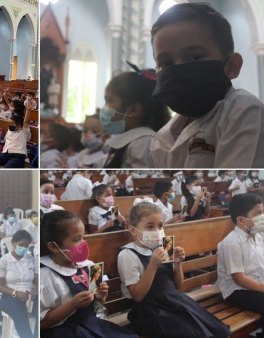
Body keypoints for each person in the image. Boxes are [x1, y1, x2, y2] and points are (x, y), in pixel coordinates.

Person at [150, 3, 264, 168]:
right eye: (166, 63)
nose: (179, 69)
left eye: (194, 58)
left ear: (231, 66)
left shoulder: (243, 110)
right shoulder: (165, 134)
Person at [117, 202, 230, 337]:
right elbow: (137, 296)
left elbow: (177, 285)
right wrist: (152, 265)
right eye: (150, 226)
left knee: (218, 330)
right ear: (133, 230)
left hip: (174, 301)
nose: (157, 231)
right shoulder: (128, 255)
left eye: (160, 226)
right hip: (151, 310)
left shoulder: (163, 248)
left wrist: (177, 264)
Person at [40, 210, 137, 338]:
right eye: (77, 239)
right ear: (53, 246)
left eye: (83, 237)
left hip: (92, 324)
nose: (83, 243)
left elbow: (100, 304)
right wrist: (72, 304)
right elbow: (42, 323)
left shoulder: (89, 265)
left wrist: (100, 295)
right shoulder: (45, 275)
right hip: (63, 331)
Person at [217, 193, 264, 336]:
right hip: (237, 290)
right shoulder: (232, 243)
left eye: (263, 212)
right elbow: (239, 279)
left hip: (256, 283)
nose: (262, 216)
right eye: (258, 213)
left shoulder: (257, 235)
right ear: (241, 220)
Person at [101, 70, 170, 168]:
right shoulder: (130, 140)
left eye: (109, 100)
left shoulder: (143, 143)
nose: (105, 107)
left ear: (133, 110)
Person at [0, 230, 38, 338]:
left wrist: (36, 289)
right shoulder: (3, 261)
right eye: (21, 245)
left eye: (26, 246)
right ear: (13, 242)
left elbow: (37, 279)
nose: (24, 248)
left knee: (42, 312)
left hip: (29, 295)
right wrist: (15, 293)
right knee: (21, 315)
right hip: (9, 296)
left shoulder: (32, 260)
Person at [0, 102, 33, 168]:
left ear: (19, 126)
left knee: (8, 168)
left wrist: (28, 110)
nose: (10, 125)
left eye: (12, 124)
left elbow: (26, 122)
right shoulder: (10, 130)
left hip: (18, 155)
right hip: (5, 153)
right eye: (9, 124)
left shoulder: (23, 131)